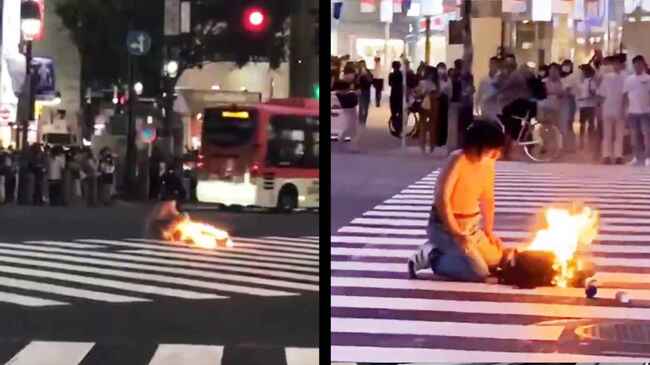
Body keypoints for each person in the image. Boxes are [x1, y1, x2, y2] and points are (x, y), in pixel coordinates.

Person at [408, 121, 509, 282]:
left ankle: (457, 253)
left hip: (472, 227)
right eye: (492, 149)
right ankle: (432, 255)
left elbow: (487, 198)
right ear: (478, 145)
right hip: (446, 228)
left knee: (496, 259)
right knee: (478, 272)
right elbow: (442, 199)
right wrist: (456, 234)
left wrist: (489, 231)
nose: (496, 155)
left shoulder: (488, 164)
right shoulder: (458, 159)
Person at [598, 54, 627, 164]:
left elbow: (626, 94)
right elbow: (601, 94)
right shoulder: (607, 77)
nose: (615, 65)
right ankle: (606, 155)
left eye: (617, 63)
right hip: (607, 108)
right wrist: (599, 108)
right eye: (614, 63)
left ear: (622, 64)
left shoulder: (626, 77)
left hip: (620, 108)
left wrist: (624, 108)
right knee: (607, 134)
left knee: (619, 134)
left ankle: (618, 155)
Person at [623, 55, 650, 166]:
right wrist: (625, 109)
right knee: (634, 136)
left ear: (643, 65)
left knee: (646, 135)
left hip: (645, 112)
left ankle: (647, 157)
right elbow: (624, 95)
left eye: (639, 64)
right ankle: (636, 156)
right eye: (635, 65)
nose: (637, 66)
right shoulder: (629, 79)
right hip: (632, 112)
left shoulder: (648, 79)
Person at [416, 66, 440, 154]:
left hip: (423, 104)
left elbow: (417, 93)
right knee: (432, 126)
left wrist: (423, 94)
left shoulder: (422, 83)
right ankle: (431, 146)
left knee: (423, 125)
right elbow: (438, 94)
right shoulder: (436, 84)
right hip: (434, 104)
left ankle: (422, 146)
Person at [575, 64, 599, 151]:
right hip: (583, 106)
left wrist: (586, 97)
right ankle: (581, 142)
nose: (581, 73)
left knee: (590, 125)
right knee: (582, 124)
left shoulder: (591, 81)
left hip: (590, 106)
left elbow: (594, 93)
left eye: (582, 71)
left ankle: (590, 142)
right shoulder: (582, 81)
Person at [476, 56, 501, 121]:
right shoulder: (484, 79)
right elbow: (479, 94)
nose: (492, 65)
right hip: (485, 109)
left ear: (498, 65)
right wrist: (477, 106)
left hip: (497, 110)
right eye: (491, 63)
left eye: (494, 63)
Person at [388, 61, 404, 135]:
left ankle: (396, 128)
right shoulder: (402, 74)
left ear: (392, 67)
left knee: (394, 112)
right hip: (400, 94)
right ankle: (400, 128)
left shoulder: (391, 75)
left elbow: (390, 84)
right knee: (400, 112)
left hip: (394, 94)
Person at [356, 60, 373, 126]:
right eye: (361, 65)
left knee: (366, 107)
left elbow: (371, 81)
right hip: (361, 91)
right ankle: (360, 121)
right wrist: (360, 75)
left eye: (363, 64)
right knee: (361, 107)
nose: (362, 66)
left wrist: (366, 75)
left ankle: (364, 121)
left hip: (367, 91)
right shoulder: (358, 73)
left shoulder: (368, 72)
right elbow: (356, 82)